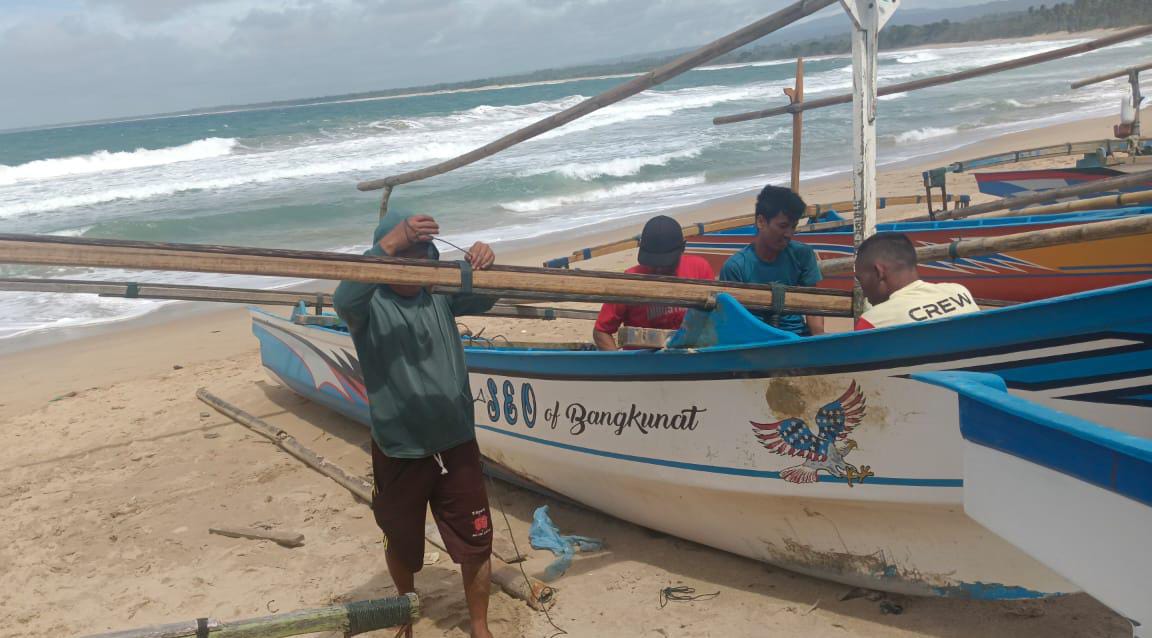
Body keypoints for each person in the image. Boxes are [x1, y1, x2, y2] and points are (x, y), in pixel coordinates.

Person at [332, 212, 497, 638]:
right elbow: (343, 298)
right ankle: (404, 618)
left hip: (456, 439)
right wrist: (389, 244)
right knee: (401, 541)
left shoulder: (437, 291)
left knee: (476, 540)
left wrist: (484, 260)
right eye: (402, 256)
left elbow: (487, 292)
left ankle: (479, 627)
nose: (414, 266)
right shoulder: (367, 305)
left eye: (421, 255)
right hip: (399, 445)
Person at [592, 215, 715, 351]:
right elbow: (601, 331)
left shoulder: (699, 270)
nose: (659, 269)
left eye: (666, 264)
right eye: (653, 264)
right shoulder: (628, 281)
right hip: (642, 363)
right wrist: (620, 366)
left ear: (683, 248)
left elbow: (716, 319)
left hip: (690, 357)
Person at [719, 184, 824, 336]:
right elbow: (733, 320)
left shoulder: (803, 255)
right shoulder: (735, 268)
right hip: (756, 342)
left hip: (798, 338)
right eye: (783, 226)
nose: (789, 234)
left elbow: (812, 307)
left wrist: (819, 342)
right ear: (761, 222)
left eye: (793, 227)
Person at [853, 232, 981, 330]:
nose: (863, 291)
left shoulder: (874, 321)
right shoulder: (958, 291)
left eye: (860, 279)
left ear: (878, 272)